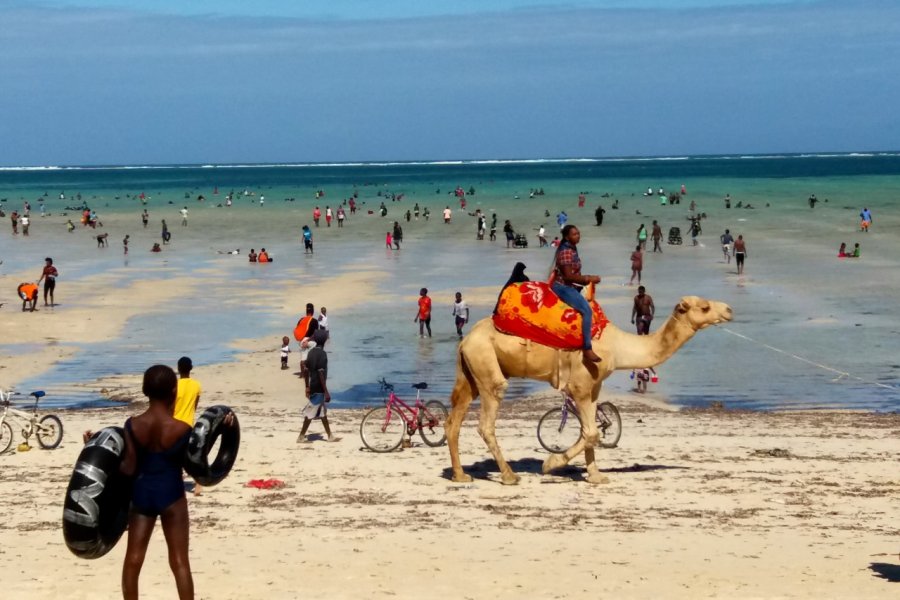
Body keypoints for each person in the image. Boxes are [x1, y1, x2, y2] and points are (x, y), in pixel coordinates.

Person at [551, 225, 602, 362]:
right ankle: (587, 348)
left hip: (572, 285)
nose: (578, 236)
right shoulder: (566, 251)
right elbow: (568, 276)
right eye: (574, 234)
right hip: (563, 287)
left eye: (578, 233)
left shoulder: (572, 248)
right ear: (567, 237)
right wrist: (588, 278)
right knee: (587, 311)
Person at [297, 329, 337, 443]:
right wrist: (326, 391)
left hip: (313, 385)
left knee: (322, 413)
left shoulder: (311, 352)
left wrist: (307, 386)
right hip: (319, 387)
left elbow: (305, 369)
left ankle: (330, 436)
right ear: (324, 341)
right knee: (310, 412)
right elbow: (320, 372)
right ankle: (301, 436)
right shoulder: (322, 354)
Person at [173, 356, 202, 495]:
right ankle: (198, 483)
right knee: (190, 456)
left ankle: (178, 482)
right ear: (191, 368)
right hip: (189, 423)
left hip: (174, 425)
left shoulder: (174, 386)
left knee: (175, 457)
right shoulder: (196, 385)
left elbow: (170, 407)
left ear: (178, 369)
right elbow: (195, 406)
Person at [294, 303, 320, 381]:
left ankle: (302, 374)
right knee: (313, 356)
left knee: (303, 357)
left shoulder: (301, 320)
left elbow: (297, 331)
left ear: (306, 311)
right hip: (310, 341)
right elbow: (315, 334)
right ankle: (312, 373)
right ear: (313, 311)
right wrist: (308, 340)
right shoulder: (315, 321)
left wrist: (301, 341)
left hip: (302, 341)